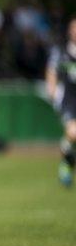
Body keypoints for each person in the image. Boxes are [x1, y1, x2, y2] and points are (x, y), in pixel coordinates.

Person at [46, 16, 76, 188]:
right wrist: (51, 89)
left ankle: (68, 162)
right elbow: (51, 70)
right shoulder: (61, 51)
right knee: (73, 133)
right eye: (74, 28)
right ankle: (66, 165)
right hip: (69, 99)